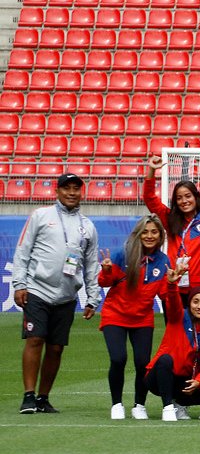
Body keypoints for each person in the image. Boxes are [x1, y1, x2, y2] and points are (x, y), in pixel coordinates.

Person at [13, 172, 101, 414]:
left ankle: (43, 397)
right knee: (35, 339)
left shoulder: (88, 226)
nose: (72, 193)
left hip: (66, 295)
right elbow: (23, 250)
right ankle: (28, 396)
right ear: (57, 191)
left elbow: (92, 264)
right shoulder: (41, 216)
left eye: (76, 188)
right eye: (67, 188)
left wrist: (93, 297)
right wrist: (19, 284)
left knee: (55, 348)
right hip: (37, 289)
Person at [98, 215, 168, 420]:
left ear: (160, 235)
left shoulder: (163, 261)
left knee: (142, 362)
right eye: (145, 232)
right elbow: (104, 283)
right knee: (118, 358)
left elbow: (164, 294)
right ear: (137, 234)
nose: (149, 236)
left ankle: (139, 405)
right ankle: (117, 404)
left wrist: (173, 281)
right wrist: (106, 271)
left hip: (142, 318)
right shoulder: (123, 254)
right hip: (115, 315)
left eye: (154, 232)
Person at [145, 270, 200, 422]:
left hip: (184, 381)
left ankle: (179, 403)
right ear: (189, 304)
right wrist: (172, 284)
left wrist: (199, 380)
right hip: (158, 377)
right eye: (195, 301)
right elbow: (173, 302)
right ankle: (168, 407)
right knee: (165, 360)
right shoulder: (179, 317)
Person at [143, 156, 200, 297]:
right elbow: (149, 198)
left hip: (199, 288)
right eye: (179, 198)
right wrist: (152, 170)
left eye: (188, 196)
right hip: (173, 283)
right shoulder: (170, 218)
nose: (184, 201)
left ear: (196, 197)